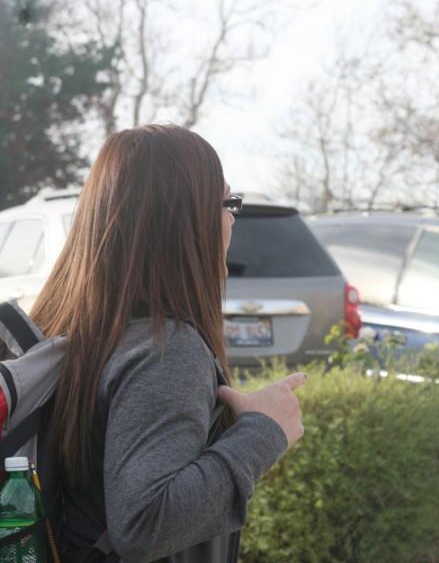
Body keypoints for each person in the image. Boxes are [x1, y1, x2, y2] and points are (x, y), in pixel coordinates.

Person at [29, 124, 306, 562]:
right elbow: (144, 521)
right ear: (182, 217)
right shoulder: (165, 348)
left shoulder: (62, 326)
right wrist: (264, 431)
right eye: (225, 203)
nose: (231, 217)